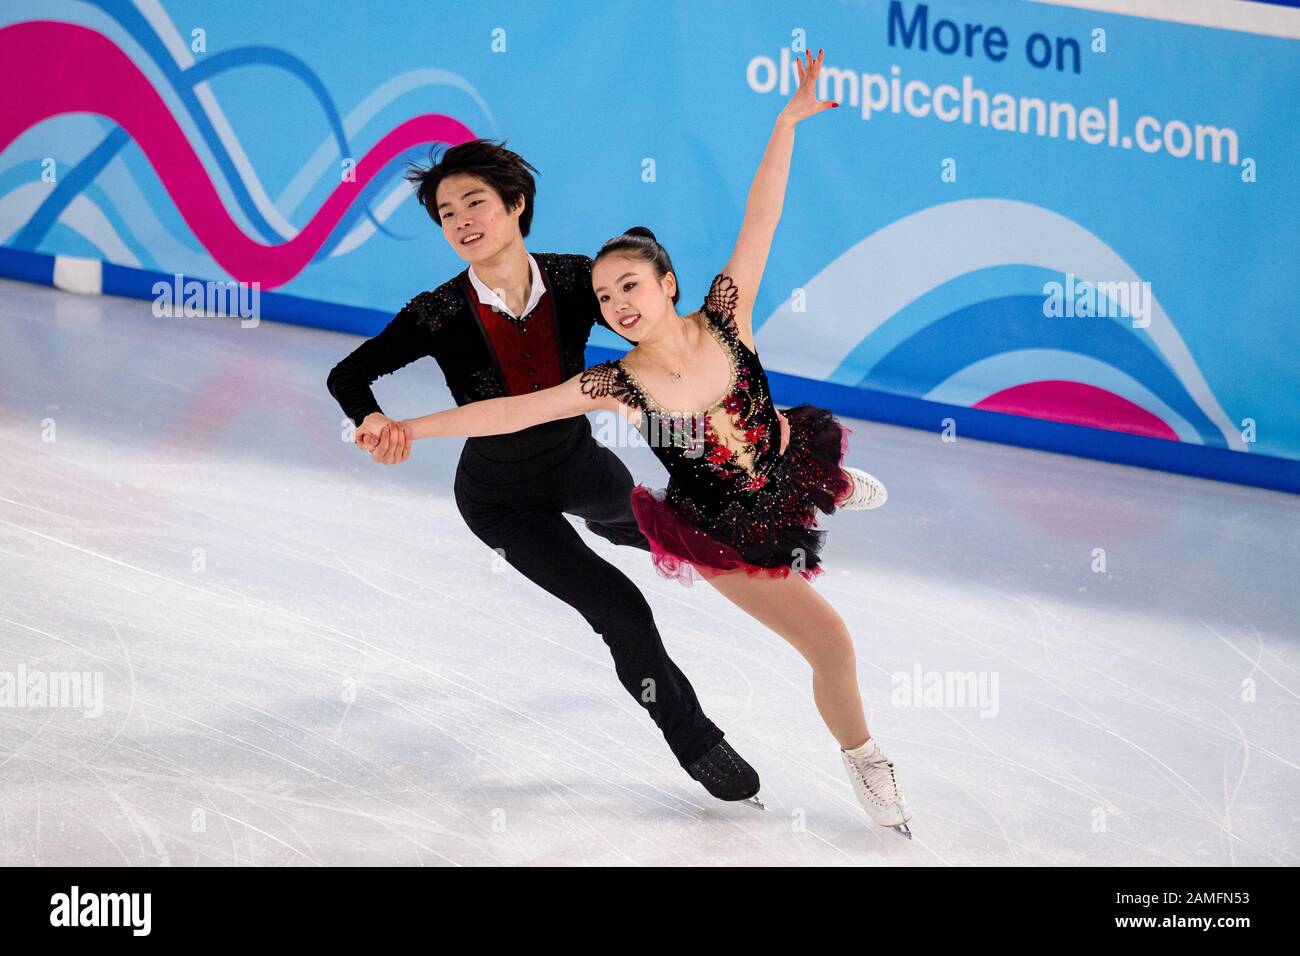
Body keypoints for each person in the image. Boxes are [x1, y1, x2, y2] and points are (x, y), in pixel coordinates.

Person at [393, 49, 911, 837]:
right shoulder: (619, 383)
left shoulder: (728, 314)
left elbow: (761, 214)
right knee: (831, 641)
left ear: (667, 283)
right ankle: (864, 755)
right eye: (604, 297)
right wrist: (408, 427)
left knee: (787, 451)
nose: (617, 303)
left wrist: (786, 123)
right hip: (718, 527)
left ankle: (828, 482)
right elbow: (507, 412)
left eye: (630, 285)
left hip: (779, 460)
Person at [326, 139, 765, 807]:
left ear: (516, 204)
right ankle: (695, 740)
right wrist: (371, 420)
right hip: (501, 502)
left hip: (577, 463)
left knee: (664, 527)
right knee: (619, 607)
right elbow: (348, 374)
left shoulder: (571, 279)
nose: (462, 221)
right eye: (446, 213)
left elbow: (647, 330)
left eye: (475, 202)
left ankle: (678, 536)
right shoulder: (439, 312)